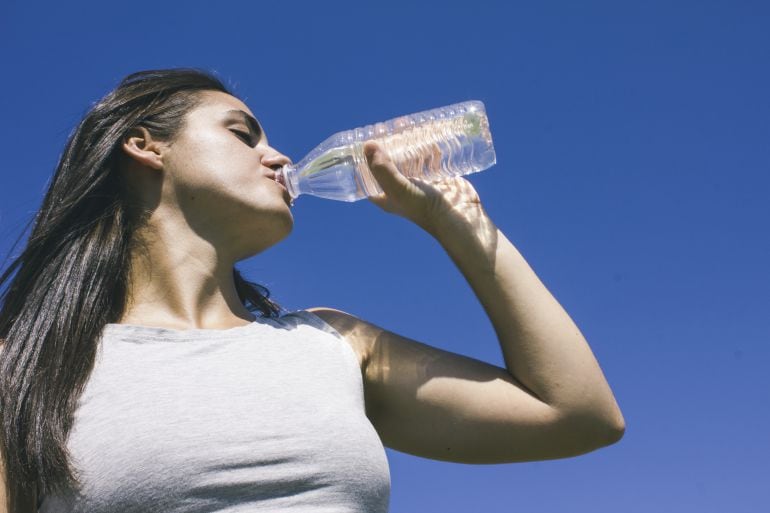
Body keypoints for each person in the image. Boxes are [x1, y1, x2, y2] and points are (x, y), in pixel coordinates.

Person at [0, 68, 625, 512]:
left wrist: (462, 229)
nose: (279, 157)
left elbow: (577, 417)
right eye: (243, 134)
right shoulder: (26, 371)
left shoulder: (333, 343)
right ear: (144, 144)